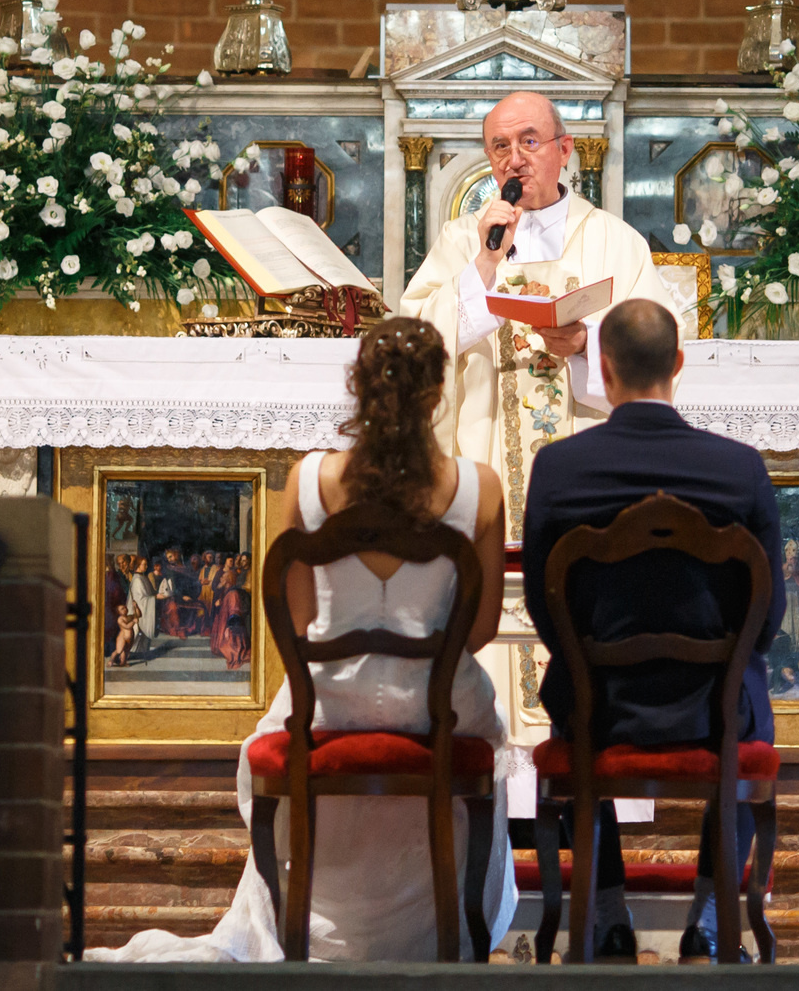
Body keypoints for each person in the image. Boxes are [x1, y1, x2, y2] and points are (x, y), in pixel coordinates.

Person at [88, 319, 518, 962]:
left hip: (329, 703)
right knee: (490, 733)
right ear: (437, 395)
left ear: (360, 388)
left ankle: (296, 936)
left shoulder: (310, 479)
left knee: (281, 719)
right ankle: (450, 937)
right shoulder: (481, 488)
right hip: (435, 707)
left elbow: (296, 619)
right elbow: (480, 630)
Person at [520, 299, 783, 964]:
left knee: (571, 702)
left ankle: (607, 917)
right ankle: (713, 922)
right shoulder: (739, 468)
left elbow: (542, 604)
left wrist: (587, 664)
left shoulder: (559, 467)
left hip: (597, 708)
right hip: (713, 713)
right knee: (751, 692)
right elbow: (769, 616)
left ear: (603, 371)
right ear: (680, 364)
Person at [398, 91, 686, 466]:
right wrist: (485, 261)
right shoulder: (464, 238)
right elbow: (416, 344)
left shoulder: (614, 240)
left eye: (529, 142)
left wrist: (586, 343)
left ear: (564, 150)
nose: (514, 159)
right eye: (500, 146)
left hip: (590, 456)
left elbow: (658, 350)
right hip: (484, 459)